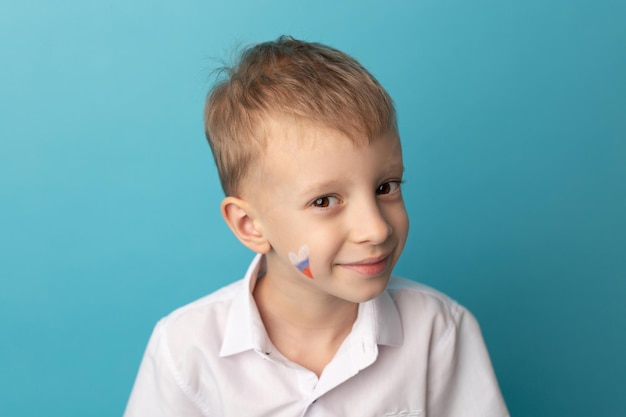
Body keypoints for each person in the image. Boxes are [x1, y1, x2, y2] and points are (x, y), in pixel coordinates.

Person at [124, 36, 509, 417]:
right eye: (324, 201)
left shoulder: (438, 331)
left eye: (385, 187)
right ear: (249, 225)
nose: (376, 229)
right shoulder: (186, 348)